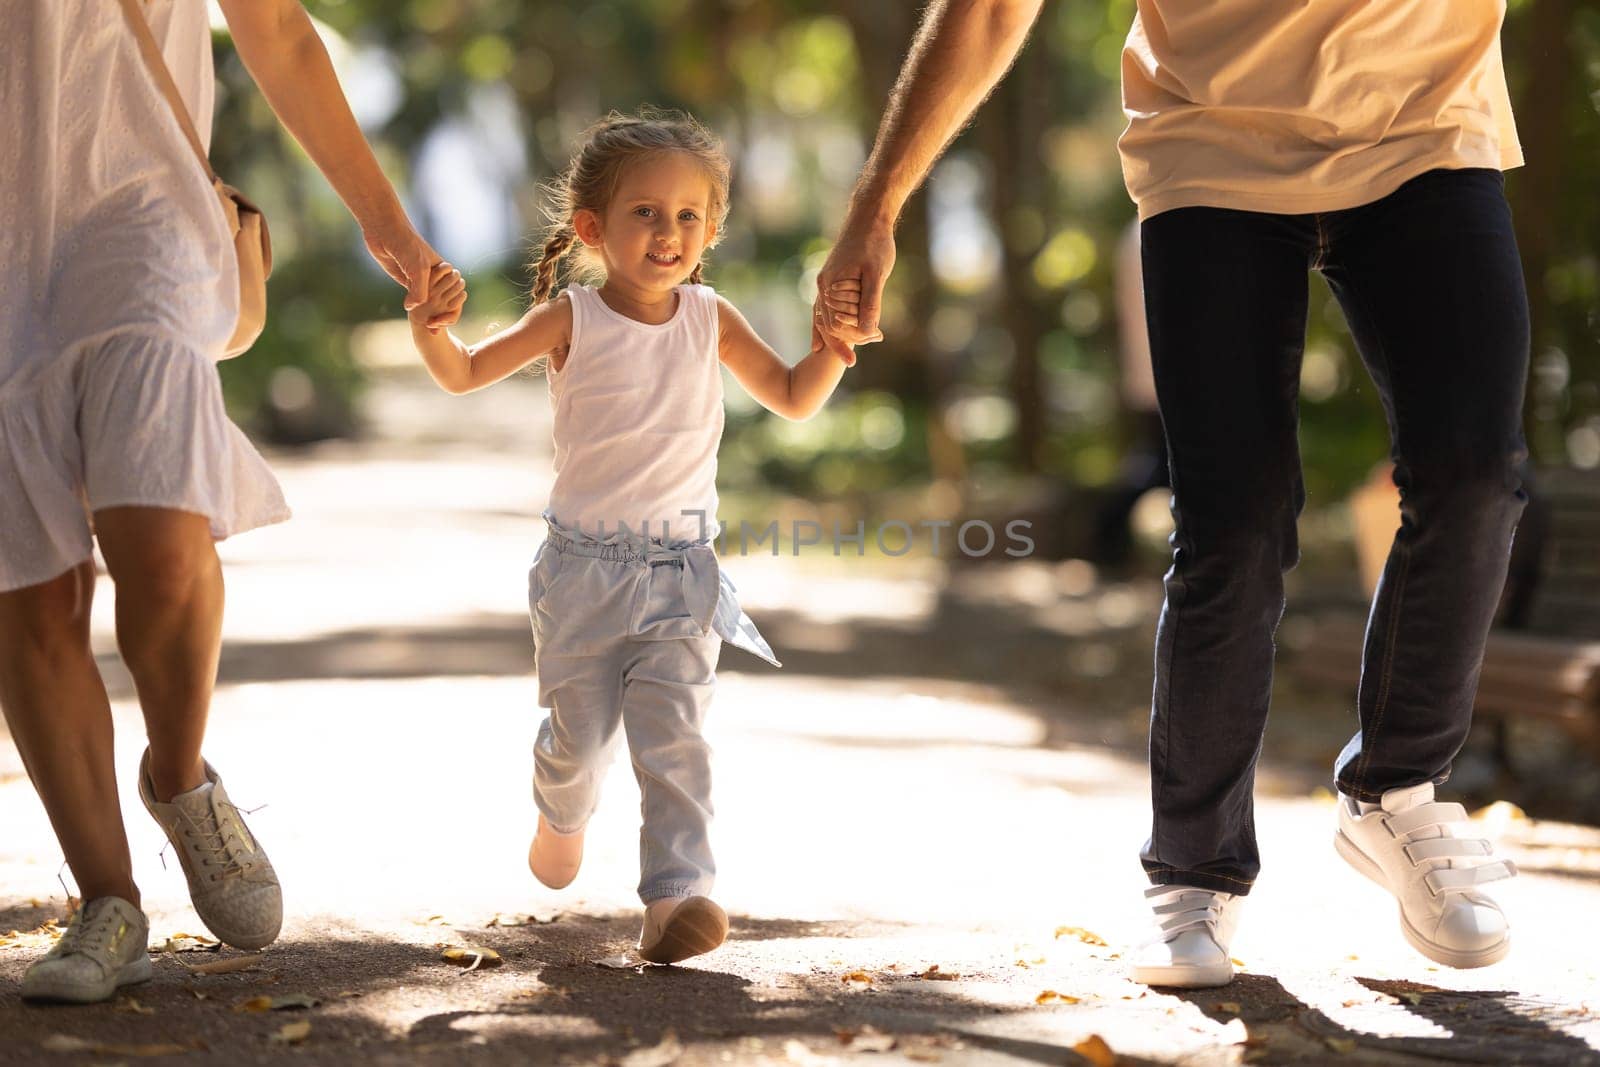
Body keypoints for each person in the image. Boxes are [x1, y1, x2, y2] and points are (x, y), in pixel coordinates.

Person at [814, 0, 1527, 986]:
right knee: (1233, 524)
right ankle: (1195, 869)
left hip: (1427, 123)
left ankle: (1395, 789)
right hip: (1211, 145)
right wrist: (876, 203)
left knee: (1476, 472)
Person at [0, 0, 453, 1004]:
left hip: (139, 207)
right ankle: (108, 902)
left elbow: (277, 28)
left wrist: (384, 219)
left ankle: (178, 771)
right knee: (29, 589)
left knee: (160, 535)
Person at [405, 110, 855, 964]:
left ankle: (676, 899)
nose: (669, 232)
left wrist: (834, 345)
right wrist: (431, 328)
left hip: (682, 574)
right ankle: (561, 808)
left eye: (689, 216)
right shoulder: (571, 317)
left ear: (712, 230)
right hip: (581, 577)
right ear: (593, 229)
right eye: (646, 213)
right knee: (579, 745)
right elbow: (463, 373)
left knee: (676, 739)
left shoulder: (710, 318)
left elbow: (795, 394)